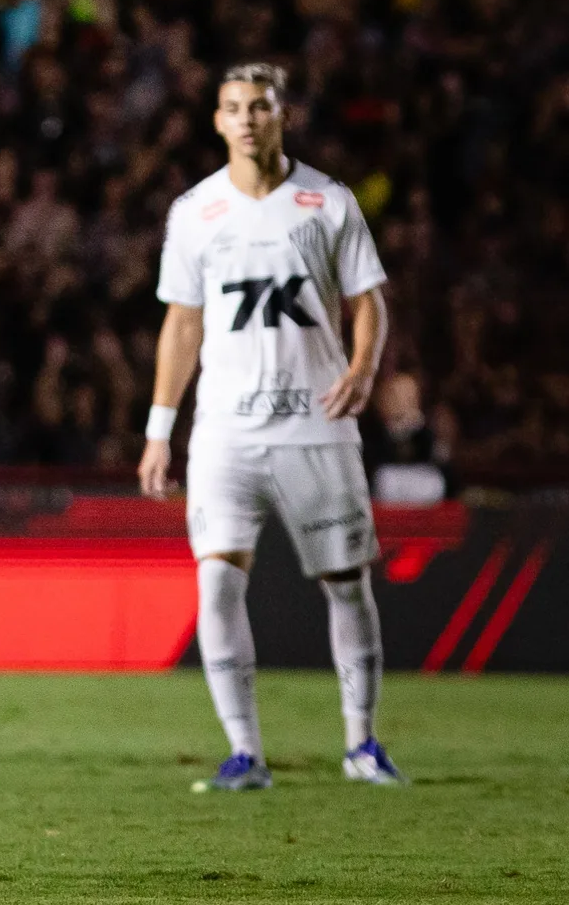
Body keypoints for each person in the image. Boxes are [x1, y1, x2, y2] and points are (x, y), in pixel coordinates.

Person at [138, 62, 405, 792]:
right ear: (218, 122)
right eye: (234, 108)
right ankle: (245, 754)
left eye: (260, 105)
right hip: (225, 430)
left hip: (316, 425)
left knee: (347, 585)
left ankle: (361, 743)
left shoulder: (327, 203)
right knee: (217, 585)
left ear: (282, 114)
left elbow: (368, 298)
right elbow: (182, 323)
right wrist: (161, 428)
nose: (248, 118)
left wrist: (363, 367)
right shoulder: (195, 211)